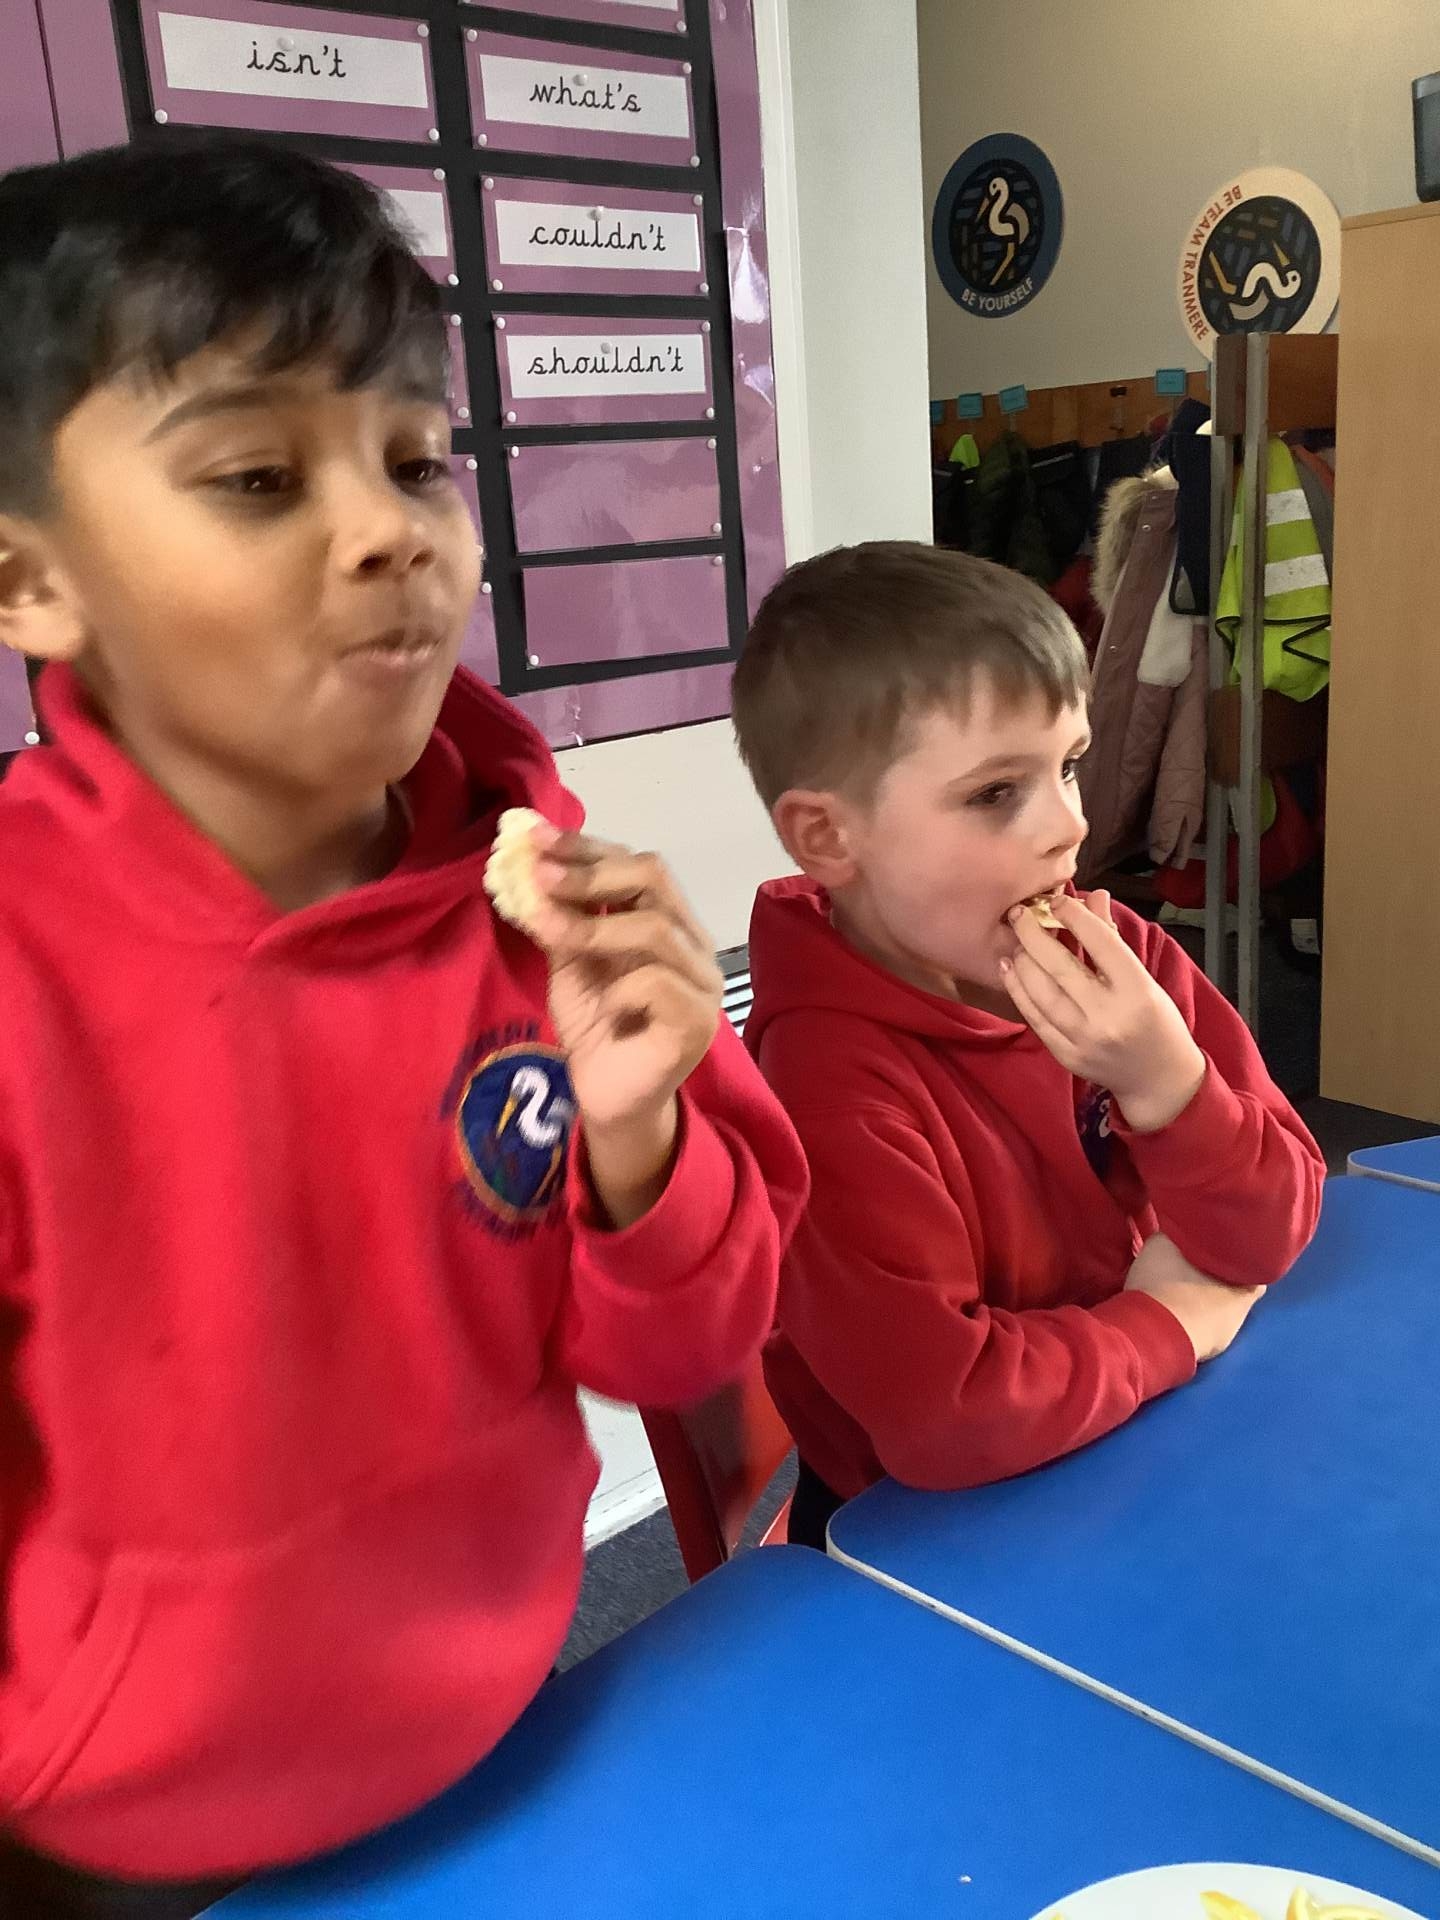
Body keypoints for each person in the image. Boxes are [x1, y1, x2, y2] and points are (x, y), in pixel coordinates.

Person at [0, 138, 806, 1914]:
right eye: (257, 476)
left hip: (519, 1724)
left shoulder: (549, 896)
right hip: (119, 1846)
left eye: (417, 459)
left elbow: (696, 1345)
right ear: (28, 583)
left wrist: (642, 1136)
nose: (390, 530)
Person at [731, 541, 1323, 1551]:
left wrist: (1168, 1085)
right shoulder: (823, 1081)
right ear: (829, 838)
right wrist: (1169, 1322)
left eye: (1069, 766)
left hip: (1129, 1434)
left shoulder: (1125, 958)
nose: (1069, 827)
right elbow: (943, 1418)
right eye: (996, 793)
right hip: (933, 1540)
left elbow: (1273, 1232)